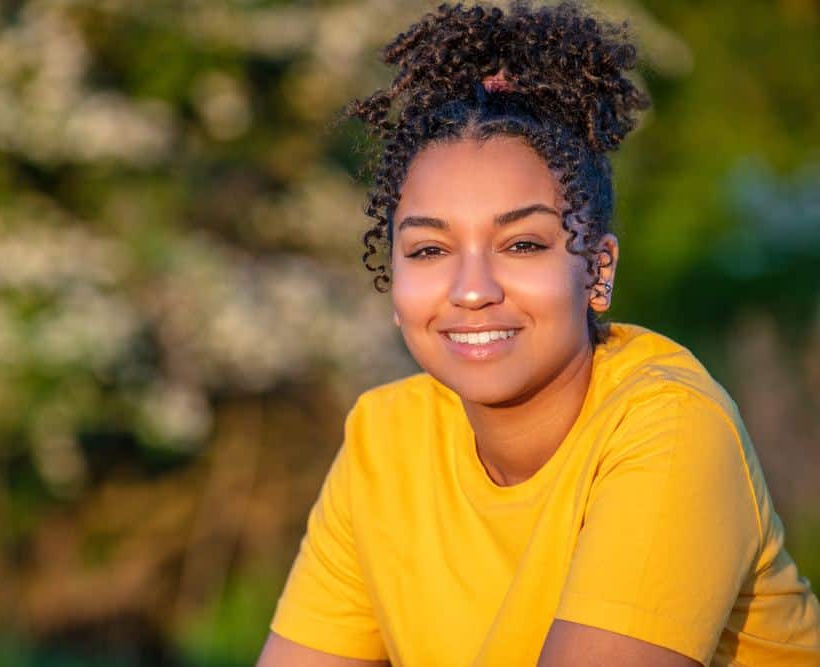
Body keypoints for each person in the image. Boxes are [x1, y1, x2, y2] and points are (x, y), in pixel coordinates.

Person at [256, 2, 820, 665]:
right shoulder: (384, 441)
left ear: (597, 270)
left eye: (522, 244)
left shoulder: (671, 428)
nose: (471, 288)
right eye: (430, 250)